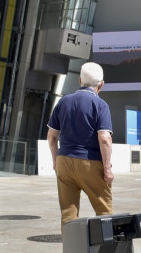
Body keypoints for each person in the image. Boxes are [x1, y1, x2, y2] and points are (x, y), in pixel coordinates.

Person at [47, 62, 114, 225]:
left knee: (68, 215)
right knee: (104, 212)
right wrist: (107, 169)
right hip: (89, 162)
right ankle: (106, 250)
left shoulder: (63, 102)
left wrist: (56, 160)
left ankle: (71, 249)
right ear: (101, 85)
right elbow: (104, 138)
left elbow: (52, 137)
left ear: (80, 81)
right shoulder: (100, 105)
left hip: (64, 160)